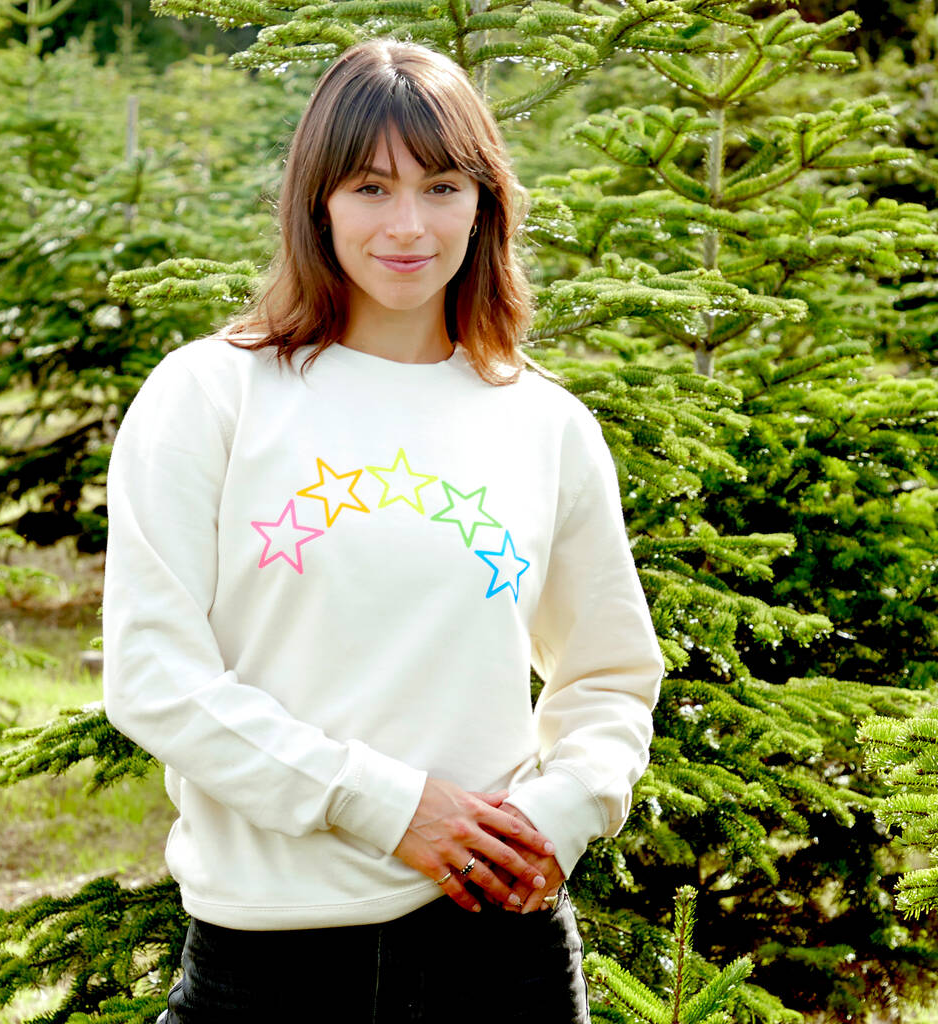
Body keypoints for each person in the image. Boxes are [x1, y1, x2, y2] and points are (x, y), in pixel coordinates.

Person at [102, 37, 664, 1024]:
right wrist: (385, 805)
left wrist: (563, 811)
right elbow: (154, 673)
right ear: (317, 203)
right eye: (370, 188)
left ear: (483, 204)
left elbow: (611, 675)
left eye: (441, 187)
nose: (408, 224)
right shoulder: (211, 395)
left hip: (500, 951)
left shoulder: (543, 423)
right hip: (269, 965)